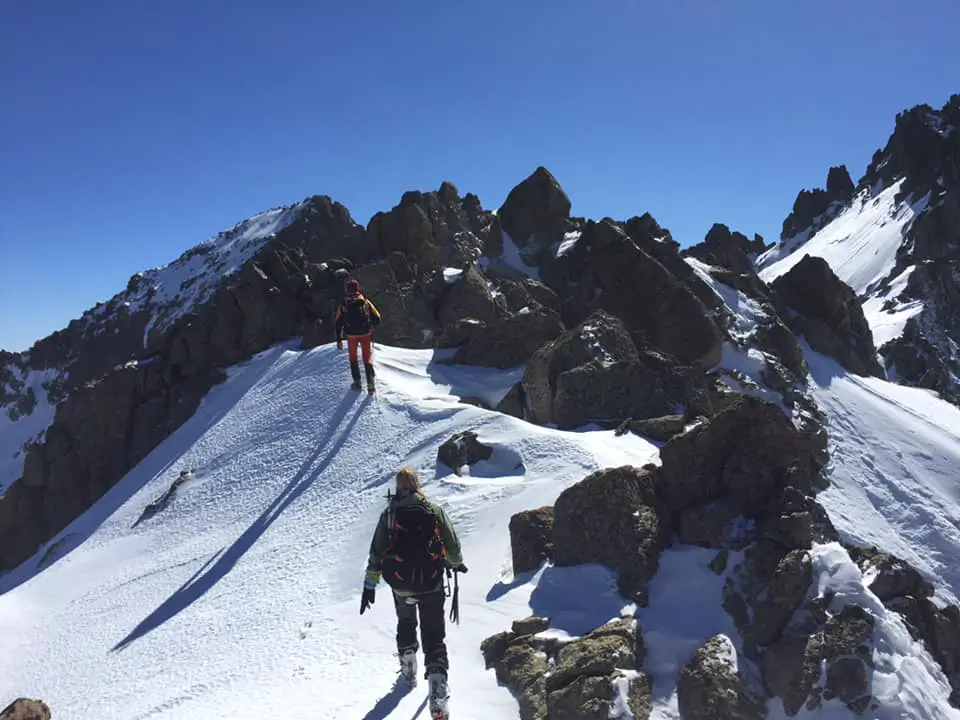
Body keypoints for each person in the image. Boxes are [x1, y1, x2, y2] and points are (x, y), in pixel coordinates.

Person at [360, 467, 466, 719]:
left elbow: (376, 552)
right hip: (432, 585)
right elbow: (452, 546)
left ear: (398, 487)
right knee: (434, 635)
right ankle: (438, 695)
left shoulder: (390, 515)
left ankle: (408, 666)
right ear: (417, 484)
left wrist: (370, 583)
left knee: (406, 622)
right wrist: (455, 562)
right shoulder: (433, 510)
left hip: (401, 585)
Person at [334, 278, 382, 393]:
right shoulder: (365, 302)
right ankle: (371, 384)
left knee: (353, 358)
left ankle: (357, 382)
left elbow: (338, 322)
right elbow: (378, 317)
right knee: (367, 358)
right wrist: (372, 327)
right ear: (358, 288)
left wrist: (339, 339)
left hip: (351, 335)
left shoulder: (343, 305)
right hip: (365, 333)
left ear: (347, 290)